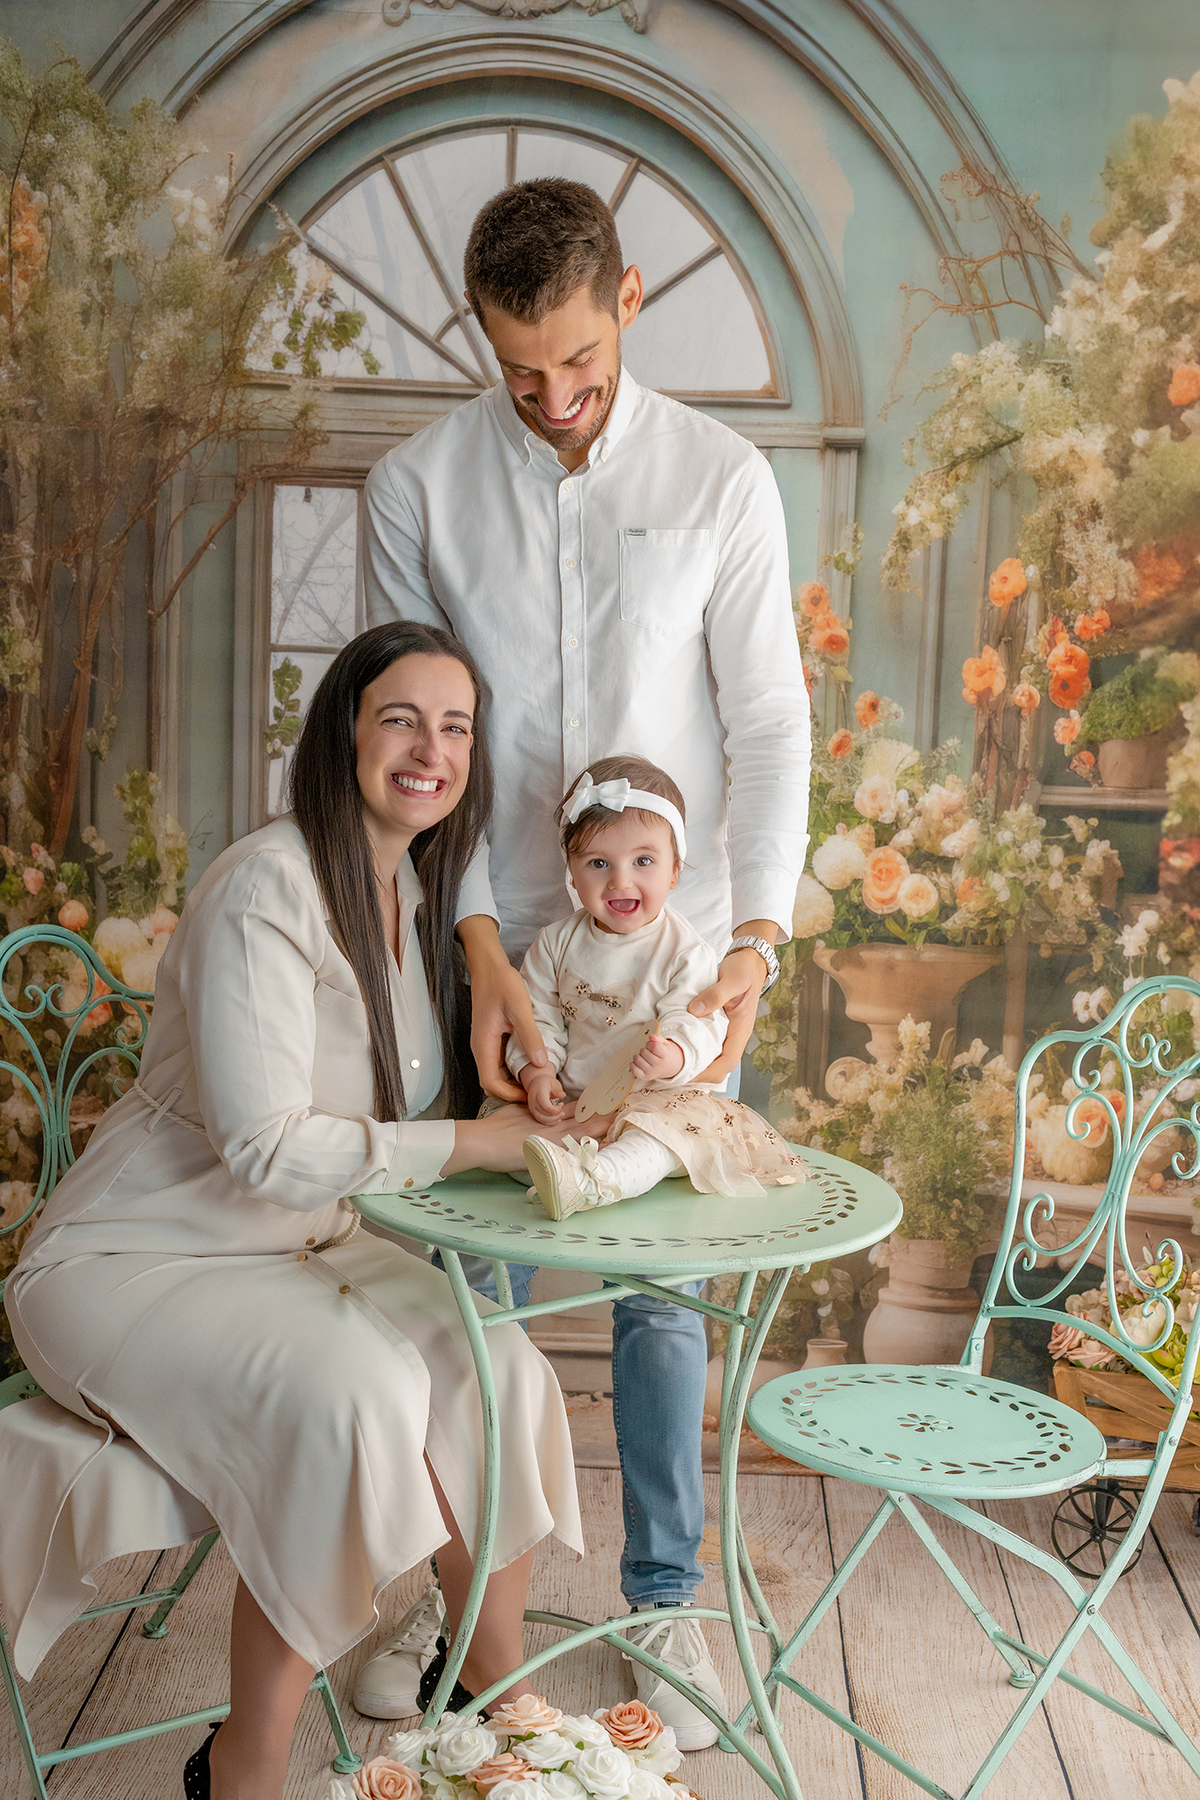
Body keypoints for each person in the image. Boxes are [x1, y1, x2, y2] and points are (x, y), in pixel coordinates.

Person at [361, 177, 810, 1746]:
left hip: (680, 966)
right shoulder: (416, 487)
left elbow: (768, 725)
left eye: (580, 364)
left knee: (660, 1293)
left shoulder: (723, 478)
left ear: (629, 299)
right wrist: (482, 959)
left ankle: (667, 1598)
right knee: (464, 1277)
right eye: (517, 370)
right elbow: (416, 750)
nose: (554, 401)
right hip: (488, 941)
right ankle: (456, 1597)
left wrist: (752, 948)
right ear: (477, 333)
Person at [5, 623, 584, 1800]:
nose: (431, 750)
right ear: (343, 734)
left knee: (503, 1369)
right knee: (351, 1397)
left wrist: (524, 1102)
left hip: (303, 1248)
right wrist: (477, 1142)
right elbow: (267, 1146)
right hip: (140, 1258)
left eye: (456, 728)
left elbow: (376, 1116)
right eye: (401, 720)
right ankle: (247, 1764)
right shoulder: (266, 883)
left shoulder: (409, 891)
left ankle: (495, 1693)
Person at [516, 757, 808, 1219]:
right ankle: (556, 1169)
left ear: (674, 870)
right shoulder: (554, 944)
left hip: (656, 1100)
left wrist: (674, 1054)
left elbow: (699, 1021)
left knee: (661, 1141)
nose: (620, 880)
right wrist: (539, 1071)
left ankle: (595, 1181)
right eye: (598, 863)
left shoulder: (684, 951)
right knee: (510, 1123)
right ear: (572, 873)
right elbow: (536, 1017)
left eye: (643, 861)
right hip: (575, 1100)